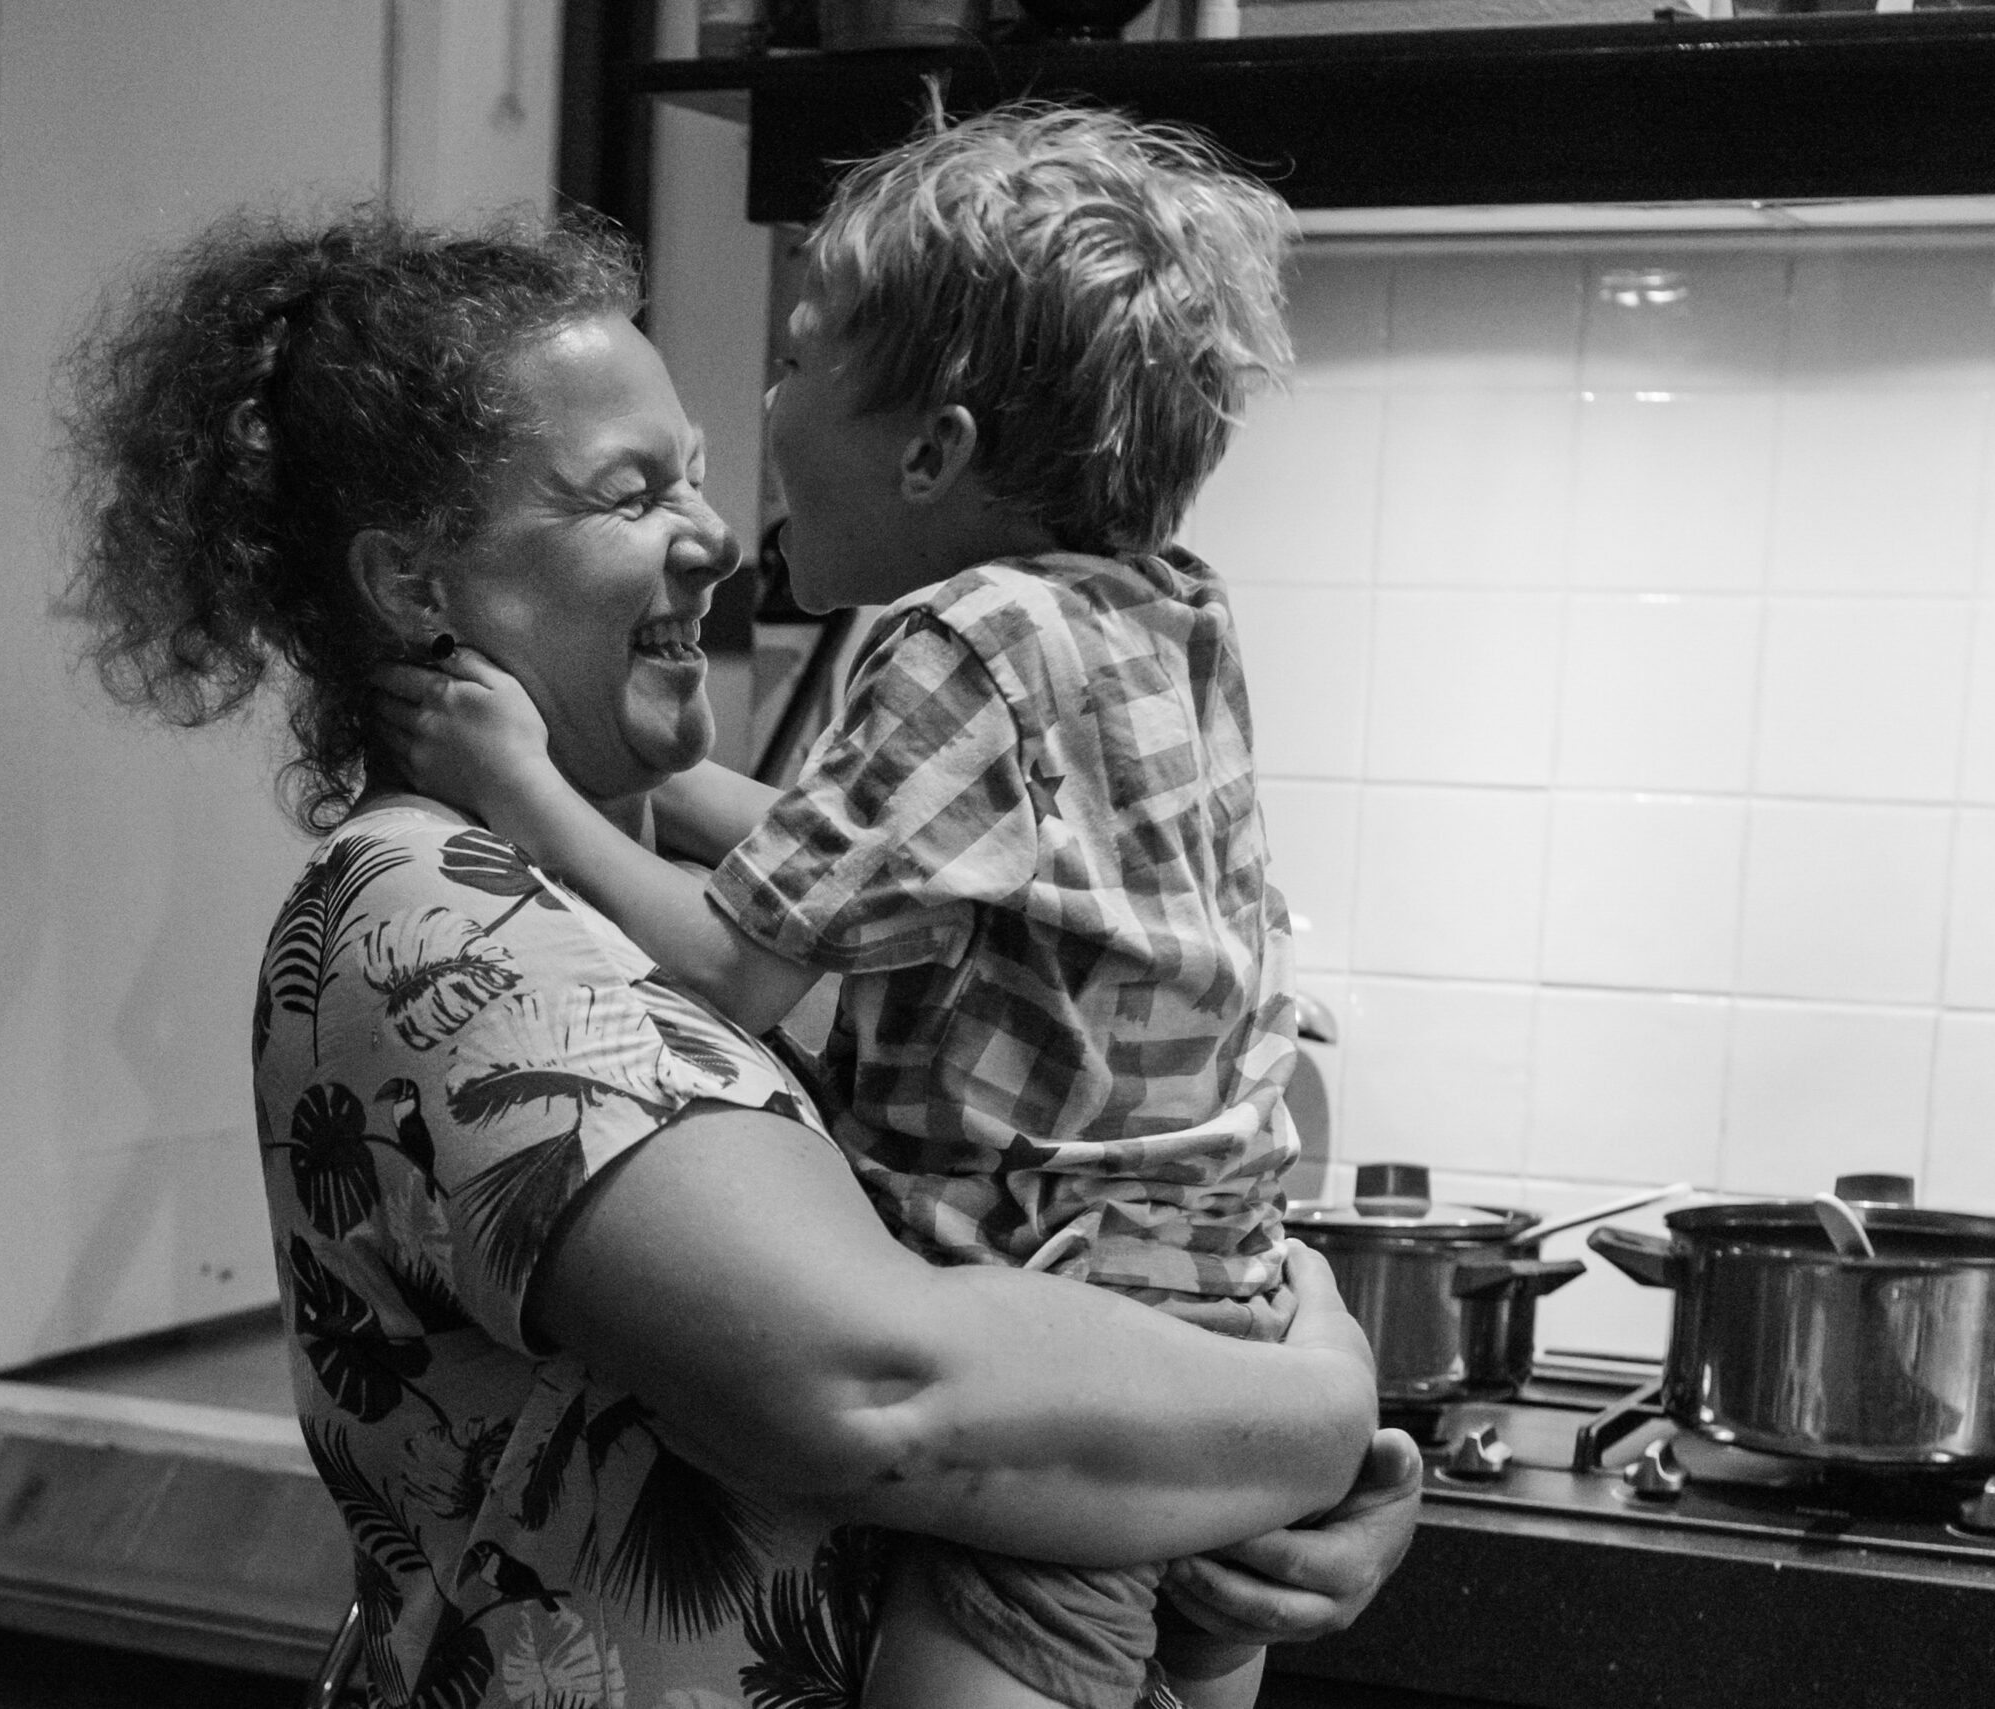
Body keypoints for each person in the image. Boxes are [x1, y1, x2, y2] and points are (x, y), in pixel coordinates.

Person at [61, 204, 1419, 1709]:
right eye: (631, 495)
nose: (715, 538)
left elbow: (1186, 1139)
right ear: (415, 585)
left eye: (701, 475)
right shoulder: (438, 924)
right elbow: (876, 1392)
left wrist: (1280, 1477)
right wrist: (1308, 1416)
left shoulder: (705, 892)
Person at [375, 105, 1310, 1709]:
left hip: (1062, 1351)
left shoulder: (956, 645)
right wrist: (1319, 1414)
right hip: (1215, 1310)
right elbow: (881, 863)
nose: (732, 490)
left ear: (935, 450)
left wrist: (533, 789)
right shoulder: (1160, 611)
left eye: (797, 360)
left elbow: (741, 959)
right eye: (628, 491)